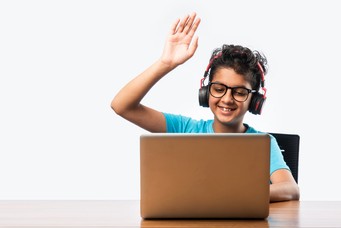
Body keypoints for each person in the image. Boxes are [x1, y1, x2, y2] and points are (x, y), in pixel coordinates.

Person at [111, 13, 299, 202]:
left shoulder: (264, 143)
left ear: (255, 100)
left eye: (240, 92)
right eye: (218, 89)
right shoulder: (185, 129)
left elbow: (291, 189)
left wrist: (231, 195)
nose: (227, 99)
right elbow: (122, 106)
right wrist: (165, 64)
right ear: (205, 92)